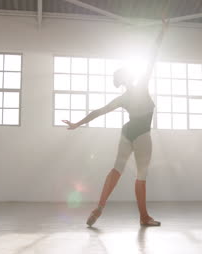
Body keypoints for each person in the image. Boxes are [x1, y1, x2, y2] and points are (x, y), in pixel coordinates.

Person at [63, 19, 169, 227]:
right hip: (142, 135)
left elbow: (98, 112)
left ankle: (99, 207)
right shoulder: (142, 86)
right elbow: (152, 58)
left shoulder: (123, 98)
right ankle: (144, 217)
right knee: (141, 177)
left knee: (116, 169)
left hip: (127, 132)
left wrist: (77, 124)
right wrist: (162, 32)